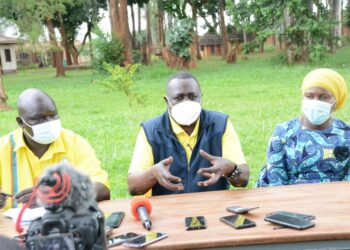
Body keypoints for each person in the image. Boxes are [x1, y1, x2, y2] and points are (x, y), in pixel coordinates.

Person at [128, 72, 250, 196]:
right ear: (167, 100)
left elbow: (243, 179)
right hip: (167, 210)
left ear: (201, 97)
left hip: (213, 206)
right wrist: (153, 173)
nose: (186, 103)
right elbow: (133, 187)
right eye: (179, 98)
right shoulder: (151, 131)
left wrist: (231, 169)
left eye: (192, 97)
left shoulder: (220, 124)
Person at [0, 88, 110, 210]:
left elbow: (102, 189)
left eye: (52, 115)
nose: (48, 122)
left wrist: (58, 197)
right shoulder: (3, 148)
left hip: (66, 224)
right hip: (13, 227)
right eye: (38, 119)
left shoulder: (74, 143)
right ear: (21, 122)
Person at [257, 68, 350, 187]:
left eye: (323, 97)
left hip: (337, 201)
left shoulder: (346, 134)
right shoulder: (284, 132)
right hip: (290, 201)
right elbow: (275, 179)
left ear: (337, 100)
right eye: (309, 96)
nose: (315, 102)